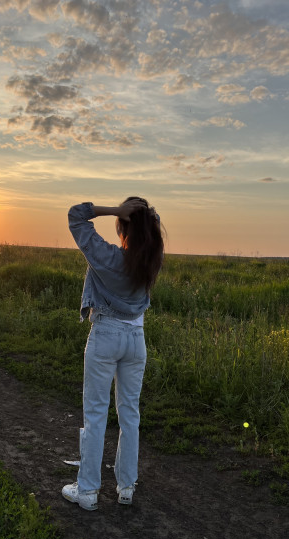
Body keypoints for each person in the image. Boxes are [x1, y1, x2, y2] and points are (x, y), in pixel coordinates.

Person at [62, 197, 164, 510]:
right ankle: (126, 487)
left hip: (106, 335)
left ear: (123, 224)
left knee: (95, 415)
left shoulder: (107, 257)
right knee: (129, 415)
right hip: (136, 340)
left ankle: (89, 491)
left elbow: (76, 216)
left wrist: (115, 210)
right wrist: (141, 218)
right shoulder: (150, 259)